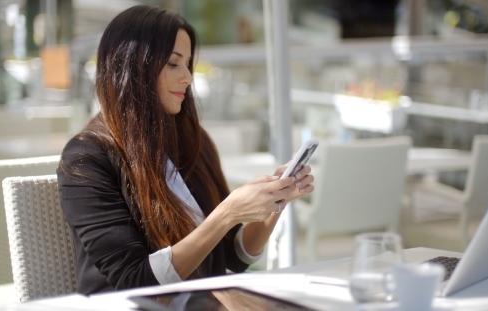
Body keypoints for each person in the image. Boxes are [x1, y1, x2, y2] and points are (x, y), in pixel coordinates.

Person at [57, 5, 314, 295]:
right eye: (172, 63)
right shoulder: (86, 159)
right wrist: (227, 213)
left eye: (187, 64)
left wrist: (274, 203)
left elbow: (234, 256)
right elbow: (135, 280)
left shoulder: (193, 140)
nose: (188, 78)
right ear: (132, 65)